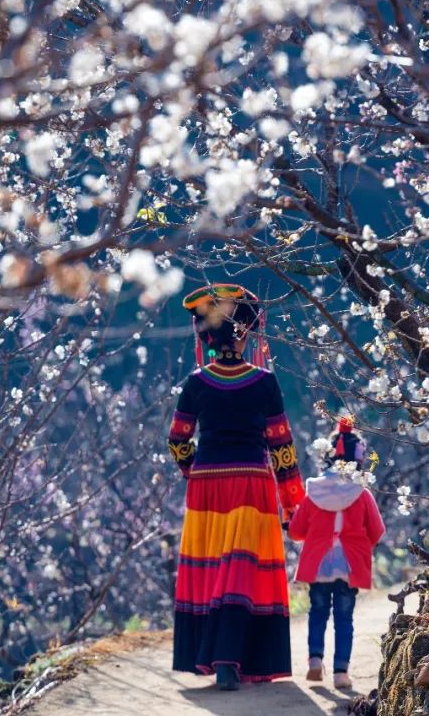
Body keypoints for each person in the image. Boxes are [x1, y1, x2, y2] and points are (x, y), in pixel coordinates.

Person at [167, 284, 305, 690]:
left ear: (207, 338)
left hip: (208, 485)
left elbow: (177, 441)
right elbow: (281, 446)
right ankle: (231, 659)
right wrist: (292, 504)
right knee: (240, 570)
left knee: (214, 571)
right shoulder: (264, 383)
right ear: (244, 335)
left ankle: (220, 660)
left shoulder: (196, 382)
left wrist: (195, 472)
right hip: (251, 483)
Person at [287, 417, 385, 690]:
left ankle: (315, 661)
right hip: (349, 564)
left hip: (318, 563)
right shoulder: (362, 494)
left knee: (317, 613)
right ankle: (341, 672)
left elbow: (295, 531)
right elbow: (377, 531)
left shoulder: (313, 492)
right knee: (344, 618)